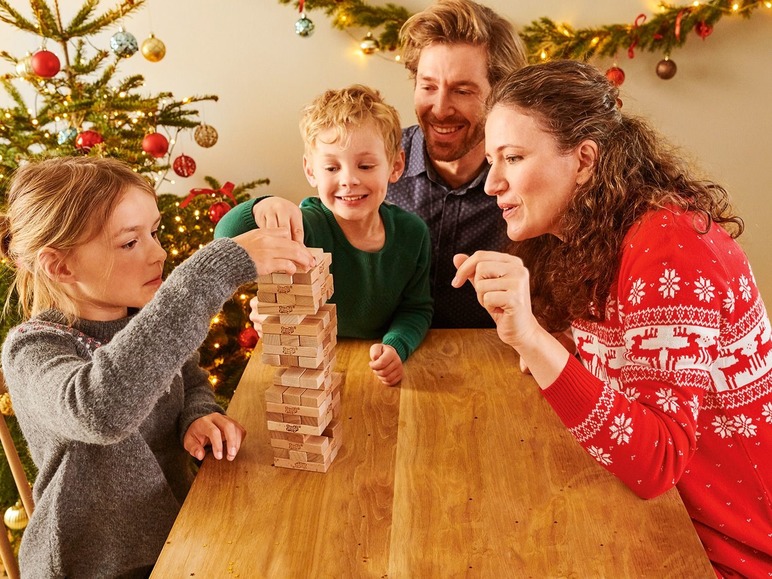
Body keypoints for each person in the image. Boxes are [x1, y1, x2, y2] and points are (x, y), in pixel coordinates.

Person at [453, 59, 771, 577]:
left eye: (512, 157)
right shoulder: (590, 236)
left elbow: (658, 462)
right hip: (662, 523)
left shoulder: (669, 246)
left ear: (583, 161)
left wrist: (533, 339)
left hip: (729, 549)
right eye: (492, 160)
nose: (492, 183)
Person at [0, 157, 315, 578]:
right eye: (130, 242)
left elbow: (187, 375)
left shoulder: (140, 314)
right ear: (59, 266)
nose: (160, 252)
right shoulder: (31, 349)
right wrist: (208, 273)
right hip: (92, 565)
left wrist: (197, 414)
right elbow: (99, 409)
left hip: (180, 532)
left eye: (154, 232)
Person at [238, 0, 527, 328]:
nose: (440, 108)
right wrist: (281, 308)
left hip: (484, 361)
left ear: (499, 94)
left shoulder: (523, 182)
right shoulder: (369, 160)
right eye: (428, 86)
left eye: (462, 91)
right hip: (371, 360)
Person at [215, 85, 433, 386]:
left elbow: (416, 308)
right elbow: (226, 239)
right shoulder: (302, 226)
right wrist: (260, 206)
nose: (349, 180)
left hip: (370, 367)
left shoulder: (413, 233)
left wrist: (397, 344)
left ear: (395, 166)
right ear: (311, 170)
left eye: (366, 165)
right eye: (331, 167)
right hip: (308, 365)